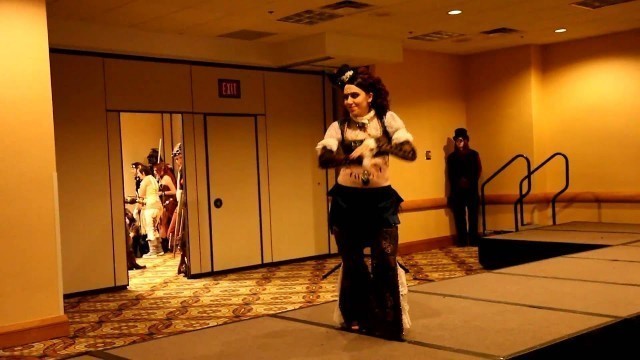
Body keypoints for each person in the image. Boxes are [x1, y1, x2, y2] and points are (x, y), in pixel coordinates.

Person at [316, 65, 417, 341]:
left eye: (354, 95)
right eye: (346, 96)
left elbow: (410, 152)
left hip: (380, 201)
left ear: (370, 96)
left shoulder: (388, 120)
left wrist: (378, 145)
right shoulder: (338, 127)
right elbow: (323, 159)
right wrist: (352, 158)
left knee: (385, 260)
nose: (349, 101)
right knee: (353, 263)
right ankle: (357, 317)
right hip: (347, 201)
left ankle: (385, 321)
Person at [446, 128, 482, 246]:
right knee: (459, 216)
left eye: (462, 140)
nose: (459, 142)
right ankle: (462, 240)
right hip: (457, 191)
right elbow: (450, 174)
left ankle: (473, 239)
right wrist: (458, 182)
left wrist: (469, 181)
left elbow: (478, 170)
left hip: (471, 189)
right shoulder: (451, 157)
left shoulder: (474, 154)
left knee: (473, 215)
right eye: (457, 140)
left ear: (466, 140)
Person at [137, 165, 164, 257]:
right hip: (158, 205)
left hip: (150, 205)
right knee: (155, 227)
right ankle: (159, 249)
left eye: (139, 174)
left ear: (143, 173)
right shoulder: (153, 179)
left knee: (150, 227)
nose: (138, 176)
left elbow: (141, 194)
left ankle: (153, 250)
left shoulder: (145, 180)